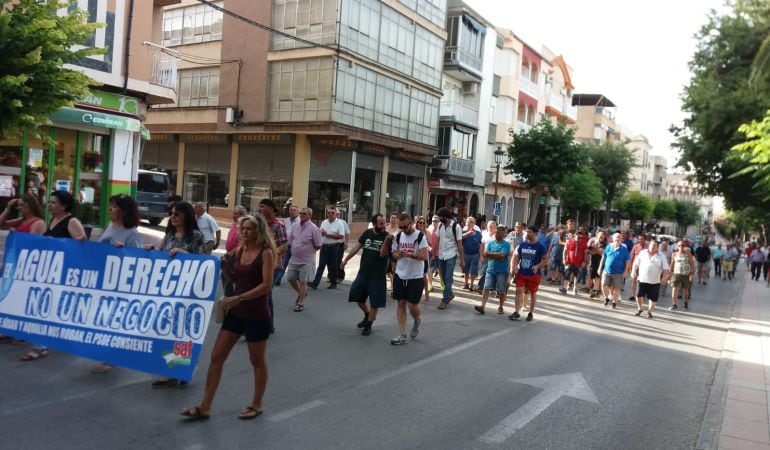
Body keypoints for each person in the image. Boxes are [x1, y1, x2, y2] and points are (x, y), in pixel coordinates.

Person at [180, 214, 277, 421]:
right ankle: (205, 405)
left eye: (250, 229)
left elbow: (266, 285)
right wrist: (225, 268)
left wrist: (239, 298)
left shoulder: (265, 253)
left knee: (256, 360)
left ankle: (257, 404)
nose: (245, 232)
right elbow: (239, 279)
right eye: (243, 228)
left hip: (256, 314)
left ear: (258, 231)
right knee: (216, 357)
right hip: (236, 312)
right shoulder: (240, 250)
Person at [20, 191, 87, 361]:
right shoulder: (54, 219)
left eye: (54, 203)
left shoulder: (71, 221)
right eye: (49, 202)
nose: (50, 205)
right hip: (50, 270)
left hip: (63, 272)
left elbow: (81, 242)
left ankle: (41, 346)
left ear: (64, 205)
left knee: (45, 306)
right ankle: (48, 342)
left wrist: (56, 243)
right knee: (48, 307)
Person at [146, 201, 206, 387]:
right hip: (168, 290)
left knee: (182, 331)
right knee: (167, 330)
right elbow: (161, 254)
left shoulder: (195, 236)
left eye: (176, 214)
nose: (172, 217)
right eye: (171, 214)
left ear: (186, 216)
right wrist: (151, 250)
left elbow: (202, 260)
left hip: (187, 291)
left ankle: (182, 368)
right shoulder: (169, 234)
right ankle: (171, 370)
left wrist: (183, 252)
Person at [90, 194, 143, 374]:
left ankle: (113, 358)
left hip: (121, 284)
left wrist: (124, 251)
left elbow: (138, 259)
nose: (110, 209)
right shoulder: (109, 227)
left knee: (115, 320)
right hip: (105, 280)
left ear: (123, 210)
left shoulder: (132, 232)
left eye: (113, 206)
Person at [0, 193, 45, 345]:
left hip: (28, 266)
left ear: (31, 205)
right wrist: (8, 208)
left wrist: (17, 236)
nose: (19, 208)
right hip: (16, 264)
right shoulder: (22, 220)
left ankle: (23, 331)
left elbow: (33, 245)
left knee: (24, 299)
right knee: (12, 296)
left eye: (22, 205)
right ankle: (10, 329)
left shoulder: (37, 222)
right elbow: (1, 224)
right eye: (18, 205)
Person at [341, 214, 390, 336]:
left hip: (377, 275)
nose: (384, 225)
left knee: (375, 302)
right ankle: (367, 314)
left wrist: (387, 241)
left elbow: (383, 254)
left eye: (384, 223)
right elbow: (357, 247)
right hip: (363, 272)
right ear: (374, 224)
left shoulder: (387, 237)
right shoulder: (367, 233)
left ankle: (369, 324)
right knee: (356, 295)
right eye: (381, 223)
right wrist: (346, 259)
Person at [386, 213, 428, 345]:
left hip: (415, 276)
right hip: (400, 274)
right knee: (401, 304)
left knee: (412, 305)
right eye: (401, 227)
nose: (403, 229)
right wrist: (398, 255)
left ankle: (416, 320)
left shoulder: (420, 236)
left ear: (411, 223)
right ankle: (402, 334)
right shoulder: (398, 236)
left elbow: (423, 256)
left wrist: (409, 255)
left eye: (405, 227)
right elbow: (393, 254)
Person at [258, 199, 288, 333]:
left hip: (274, 266)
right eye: (259, 207)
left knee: (266, 293)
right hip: (259, 264)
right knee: (260, 294)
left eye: (262, 207)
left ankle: (269, 324)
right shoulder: (260, 225)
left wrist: (270, 256)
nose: (260, 209)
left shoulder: (278, 225)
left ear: (271, 208)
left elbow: (284, 245)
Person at [509, 226, 548, 322]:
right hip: (522, 272)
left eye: (529, 232)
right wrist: (515, 266)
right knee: (518, 291)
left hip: (533, 275)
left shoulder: (540, 246)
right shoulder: (523, 245)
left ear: (535, 233)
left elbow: (546, 259)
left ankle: (531, 313)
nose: (527, 234)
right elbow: (517, 256)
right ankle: (517, 312)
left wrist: (538, 266)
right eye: (526, 232)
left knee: (533, 293)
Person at [286, 207, 322, 311]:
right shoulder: (295, 225)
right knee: (290, 278)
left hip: (306, 260)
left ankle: (300, 302)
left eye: (304, 214)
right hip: (294, 258)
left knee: (303, 282)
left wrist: (308, 250)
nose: (301, 215)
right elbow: (291, 239)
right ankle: (302, 293)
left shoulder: (314, 228)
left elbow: (318, 245)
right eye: (301, 213)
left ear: (310, 216)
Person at [475, 225, 510, 315]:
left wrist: (491, 254)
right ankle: (482, 306)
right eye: (496, 232)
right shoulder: (491, 243)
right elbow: (485, 254)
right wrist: (496, 255)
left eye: (498, 232)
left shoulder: (506, 244)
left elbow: (502, 256)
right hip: (490, 269)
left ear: (503, 234)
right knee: (486, 288)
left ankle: (501, 306)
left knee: (501, 290)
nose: (496, 233)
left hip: (501, 271)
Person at [631, 240, 670, 318]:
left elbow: (666, 269)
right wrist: (633, 272)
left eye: (655, 245)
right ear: (649, 245)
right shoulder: (643, 253)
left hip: (654, 281)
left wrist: (664, 277)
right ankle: (640, 309)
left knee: (653, 298)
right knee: (639, 295)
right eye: (651, 245)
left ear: (657, 247)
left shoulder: (661, 256)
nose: (652, 246)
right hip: (642, 279)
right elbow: (636, 264)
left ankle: (650, 311)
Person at [310, 207, 346, 290]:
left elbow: (341, 236)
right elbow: (320, 232)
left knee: (333, 266)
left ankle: (333, 283)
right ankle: (315, 283)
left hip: (334, 247)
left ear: (336, 214)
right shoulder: (324, 222)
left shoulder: (339, 223)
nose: (330, 214)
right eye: (329, 212)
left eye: (332, 213)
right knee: (321, 265)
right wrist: (321, 234)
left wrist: (328, 235)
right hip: (324, 246)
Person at [435, 207, 464, 310]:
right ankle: (450, 294)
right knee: (442, 278)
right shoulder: (440, 226)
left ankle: (444, 300)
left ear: (446, 217)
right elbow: (437, 240)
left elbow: (460, 244)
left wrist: (462, 260)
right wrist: (434, 253)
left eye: (440, 217)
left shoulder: (456, 227)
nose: (439, 219)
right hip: (441, 255)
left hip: (451, 255)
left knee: (448, 278)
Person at [599, 232, 631, 309]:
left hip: (618, 273)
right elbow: (604, 257)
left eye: (619, 237)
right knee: (604, 285)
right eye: (616, 237)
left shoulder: (624, 249)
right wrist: (600, 268)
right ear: (613, 239)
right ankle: (606, 298)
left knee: (617, 288)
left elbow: (627, 261)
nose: (617, 238)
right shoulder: (608, 247)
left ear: (621, 239)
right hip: (607, 271)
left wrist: (626, 271)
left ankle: (614, 302)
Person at [669, 241, 695, 310]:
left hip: (685, 274)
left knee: (685, 289)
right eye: (679, 245)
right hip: (676, 274)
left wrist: (692, 274)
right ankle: (674, 304)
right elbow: (671, 264)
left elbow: (692, 264)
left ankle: (685, 302)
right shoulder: (674, 254)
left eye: (682, 245)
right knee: (674, 289)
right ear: (677, 246)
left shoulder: (688, 254)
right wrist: (669, 274)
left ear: (685, 246)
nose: (681, 247)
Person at [560, 231, 588, 296]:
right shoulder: (569, 242)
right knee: (567, 274)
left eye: (581, 238)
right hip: (570, 262)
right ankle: (564, 288)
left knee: (577, 276)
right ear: (575, 236)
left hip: (579, 263)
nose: (580, 239)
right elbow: (565, 251)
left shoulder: (584, 244)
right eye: (578, 237)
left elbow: (585, 254)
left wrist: (584, 261)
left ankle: (575, 289)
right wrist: (564, 259)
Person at [461, 216, 482, 292]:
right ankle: (466, 284)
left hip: (475, 255)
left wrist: (481, 255)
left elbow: (481, 244)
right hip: (465, 253)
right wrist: (467, 234)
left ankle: (472, 284)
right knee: (465, 270)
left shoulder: (478, 233)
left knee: (472, 271)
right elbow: (460, 240)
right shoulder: (463, 232)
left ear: (473, 224)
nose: (468, 224)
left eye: (470, 223)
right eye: (467, 223)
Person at [281, 204, 300, 286]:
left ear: (297, 211)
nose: (292, 212)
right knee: (284, 263)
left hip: (296, 247)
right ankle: (278, 280)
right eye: (290, 210)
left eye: (294, 210)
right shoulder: (286, 220)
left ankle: (298, 281)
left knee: (297, 264)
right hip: (287, 245)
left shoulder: (300, 221)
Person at [415, 216, 432, 301]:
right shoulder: (413, 232)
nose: (421, 224)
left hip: (424, 256)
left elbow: (431, 244)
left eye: (423, 223)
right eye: (420, 222)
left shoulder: (427, 232)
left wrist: (424, 236)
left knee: (423, 275)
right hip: (415, 256)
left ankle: (426, 292)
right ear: (417, 224)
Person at [477, 221, 498, 292]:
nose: (490, 228)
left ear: (495, 227)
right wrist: (481, 256)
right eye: (489, 227)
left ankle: (482, 286)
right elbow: (482, 245)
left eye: (492, 227)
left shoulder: (497, 236)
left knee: (490, 272)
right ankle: (483, 286)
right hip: (486, 256)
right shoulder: (485, 234)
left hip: (494, 257)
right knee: (485, 271)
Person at [627, 234, 648, 302]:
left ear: (645, 239)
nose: (640, 240)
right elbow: (632, 257)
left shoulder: (648, 247)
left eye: (642, 239)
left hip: (645, 267)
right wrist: (630, 267)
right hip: (636, 266)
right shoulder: (635, 246)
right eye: (639, 239)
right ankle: (633, 295)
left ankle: (642, 295)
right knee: (634, 281)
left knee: (643, 282)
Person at [587, 231, 608, 298]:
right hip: (592, 262)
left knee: (597, 276)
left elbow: (603, 253)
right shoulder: (593, 242)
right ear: (597, 236)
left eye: (602, 235)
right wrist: (598, 250)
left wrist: (595, 249)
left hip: (601, 263)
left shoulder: (605, 244)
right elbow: (590, 252)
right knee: (593, 276)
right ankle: (598, 290)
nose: (601, 236)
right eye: (600, 235)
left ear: (604, 237)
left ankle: (595, 290)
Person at [334, 209, 351, 283]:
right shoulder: (329, 222)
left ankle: (340, 276)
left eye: (338, 214)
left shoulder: (343, 222)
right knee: (331, 261)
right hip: (331, 244)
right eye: (336, 214)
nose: (337, 215)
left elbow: (347, 233)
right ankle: (332, 276)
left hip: (340, 244)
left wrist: (346, 243)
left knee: (338, 260)